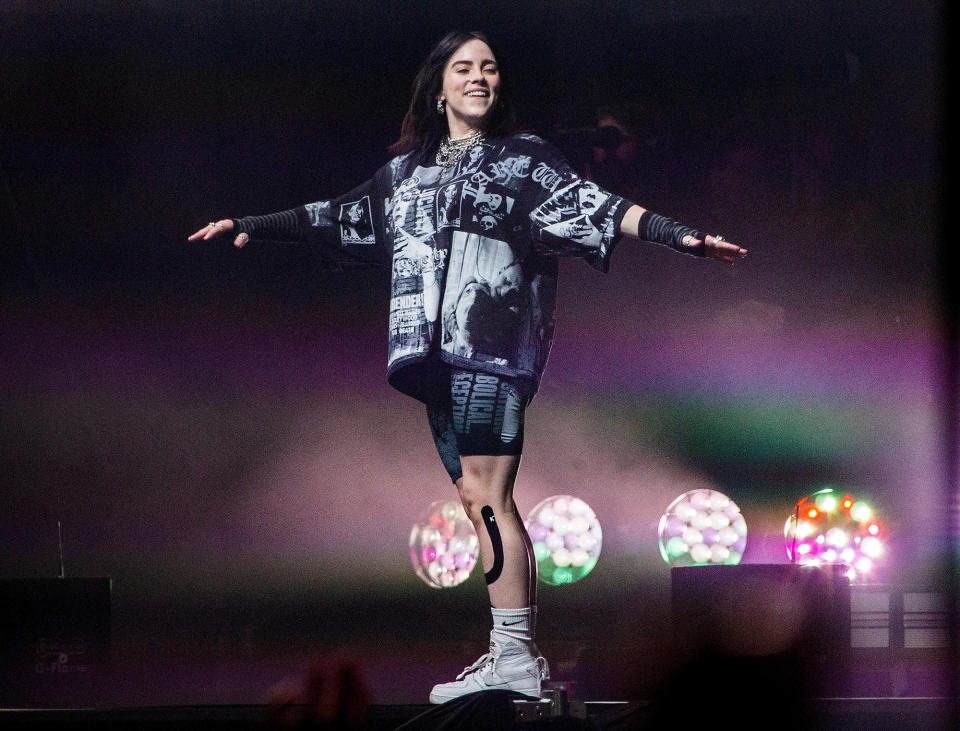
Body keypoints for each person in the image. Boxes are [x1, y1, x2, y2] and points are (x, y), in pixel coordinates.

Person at [189, 30, 747, 705]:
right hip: (433, 358)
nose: (478, 77)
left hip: (490, 348)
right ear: (439, 85)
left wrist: (681, 236)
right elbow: (339, 215)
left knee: (489, 494)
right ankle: (512, 653)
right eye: (464, 67)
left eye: (488, 68)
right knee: (477, 498)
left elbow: (598, 207)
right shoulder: (404, 174)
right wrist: (252, 222)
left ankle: (514, 654)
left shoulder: (524, 161)